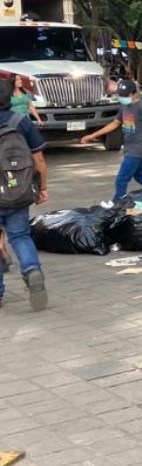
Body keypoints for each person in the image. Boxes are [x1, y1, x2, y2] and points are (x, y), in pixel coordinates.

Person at [0, 79, 49, 311]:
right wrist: (42, 188)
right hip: (18, 190)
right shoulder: (20, 121)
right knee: (20, 236)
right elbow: (39, 159)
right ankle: (32, 271)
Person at [81, 79, 142, 201]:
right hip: (128, 147)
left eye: (125, 95)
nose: (122, 98)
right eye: (120, 95)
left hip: (137, 148)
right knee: (140, 176)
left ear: (134, 94)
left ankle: (117, 204)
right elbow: (115, 123)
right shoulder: (124, 106)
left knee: (121, 179)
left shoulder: (141, 106)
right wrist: (93, 135)